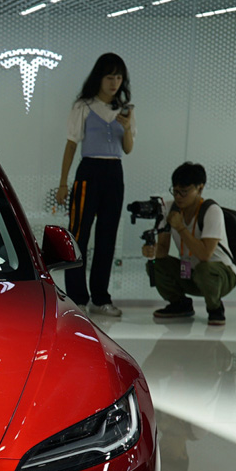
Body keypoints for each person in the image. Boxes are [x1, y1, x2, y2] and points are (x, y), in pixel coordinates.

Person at [55, 53, 135, 317]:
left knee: (107, 236)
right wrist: (63, 183)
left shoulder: (125, 109)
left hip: (115, 172)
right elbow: (70, 145)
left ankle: (101, 297)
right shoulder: (84, 106)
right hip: (89, 171)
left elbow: (128, 149)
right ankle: (77, 297)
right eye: (109, 77)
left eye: (119, 77)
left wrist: (128, 127)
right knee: (78, 235)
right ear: (99, 78)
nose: (114, 83)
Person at [142, 162, 236, 326]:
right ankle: (180, 304)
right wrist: (151, 250)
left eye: (184, 192)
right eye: (175, 191)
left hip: (221, 275)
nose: (178, 196)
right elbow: (163, 251)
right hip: (190, 272)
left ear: (200, 188)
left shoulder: (211, 211)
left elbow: (205, 255)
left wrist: (180, 227)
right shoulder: (169, 209)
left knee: (204, 269)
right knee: (156, 264)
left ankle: (215, 308)